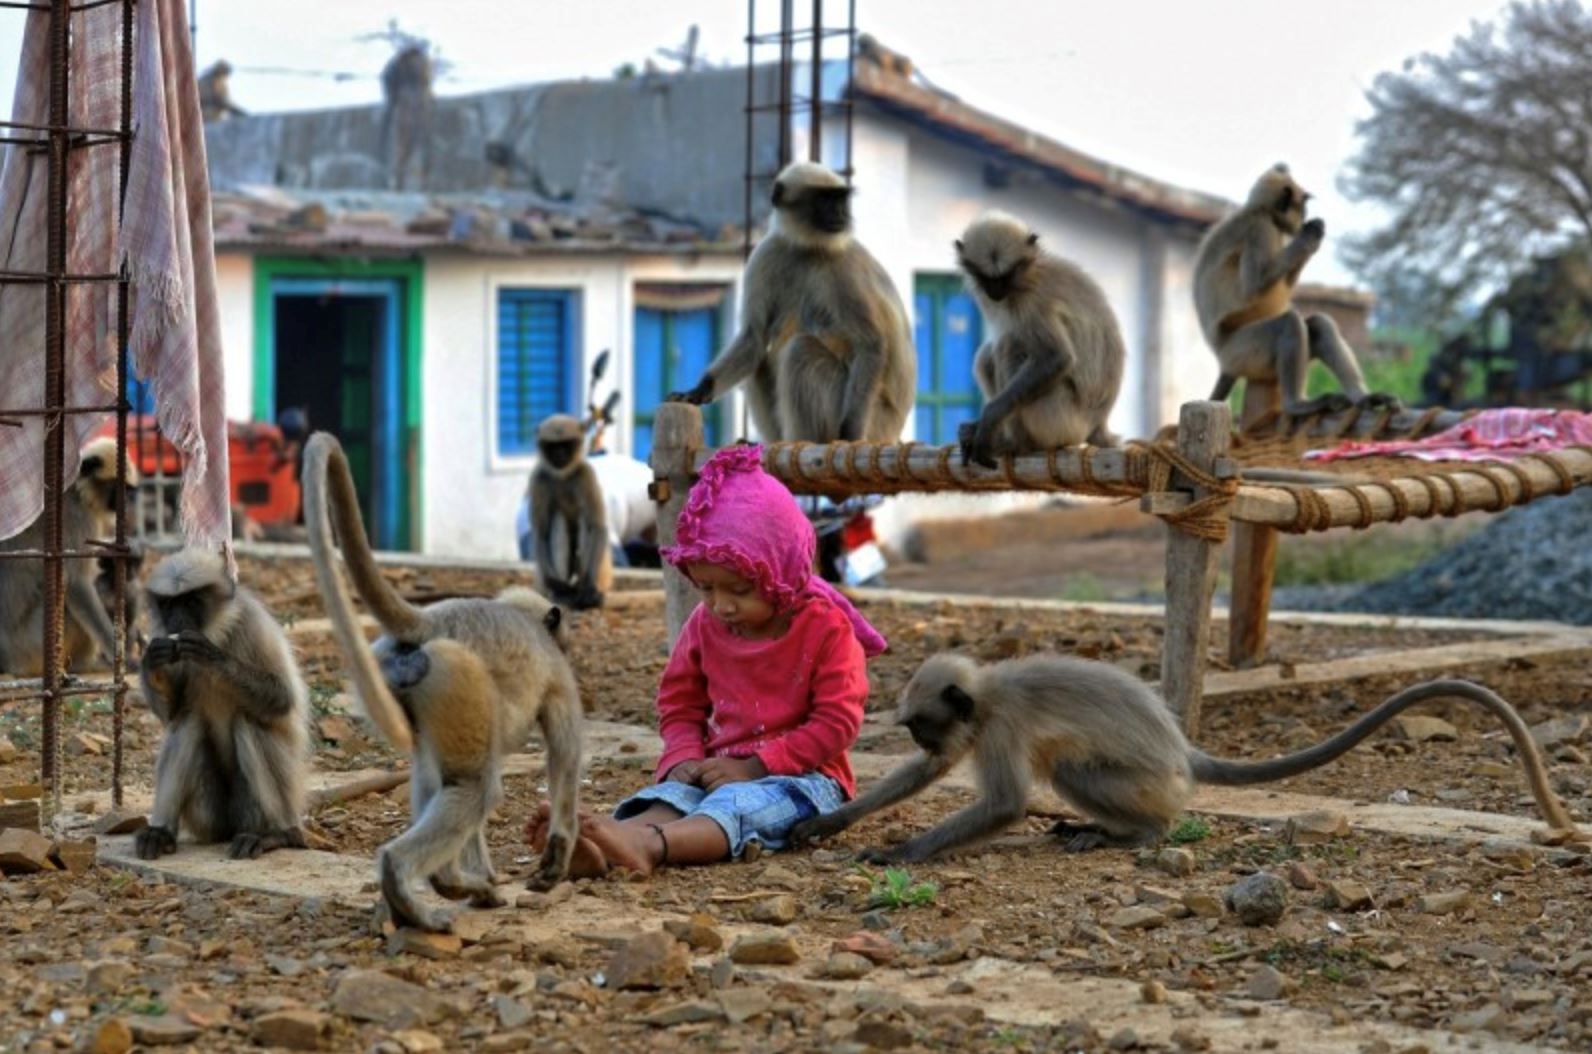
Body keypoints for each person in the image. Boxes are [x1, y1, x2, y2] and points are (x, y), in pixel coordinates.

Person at [525, 445, 887, 876]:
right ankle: (601, 847)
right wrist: (683, 756)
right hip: (716, 768)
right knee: (669, 798)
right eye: (707, 588)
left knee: (736, 805)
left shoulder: (826, 629)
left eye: (738, 590)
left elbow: (837, 723)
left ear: (782, 571)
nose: (721, 606)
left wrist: (755, 767)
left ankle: (649, 846)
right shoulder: (704, 624)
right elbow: (680, 701)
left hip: (805, 780)